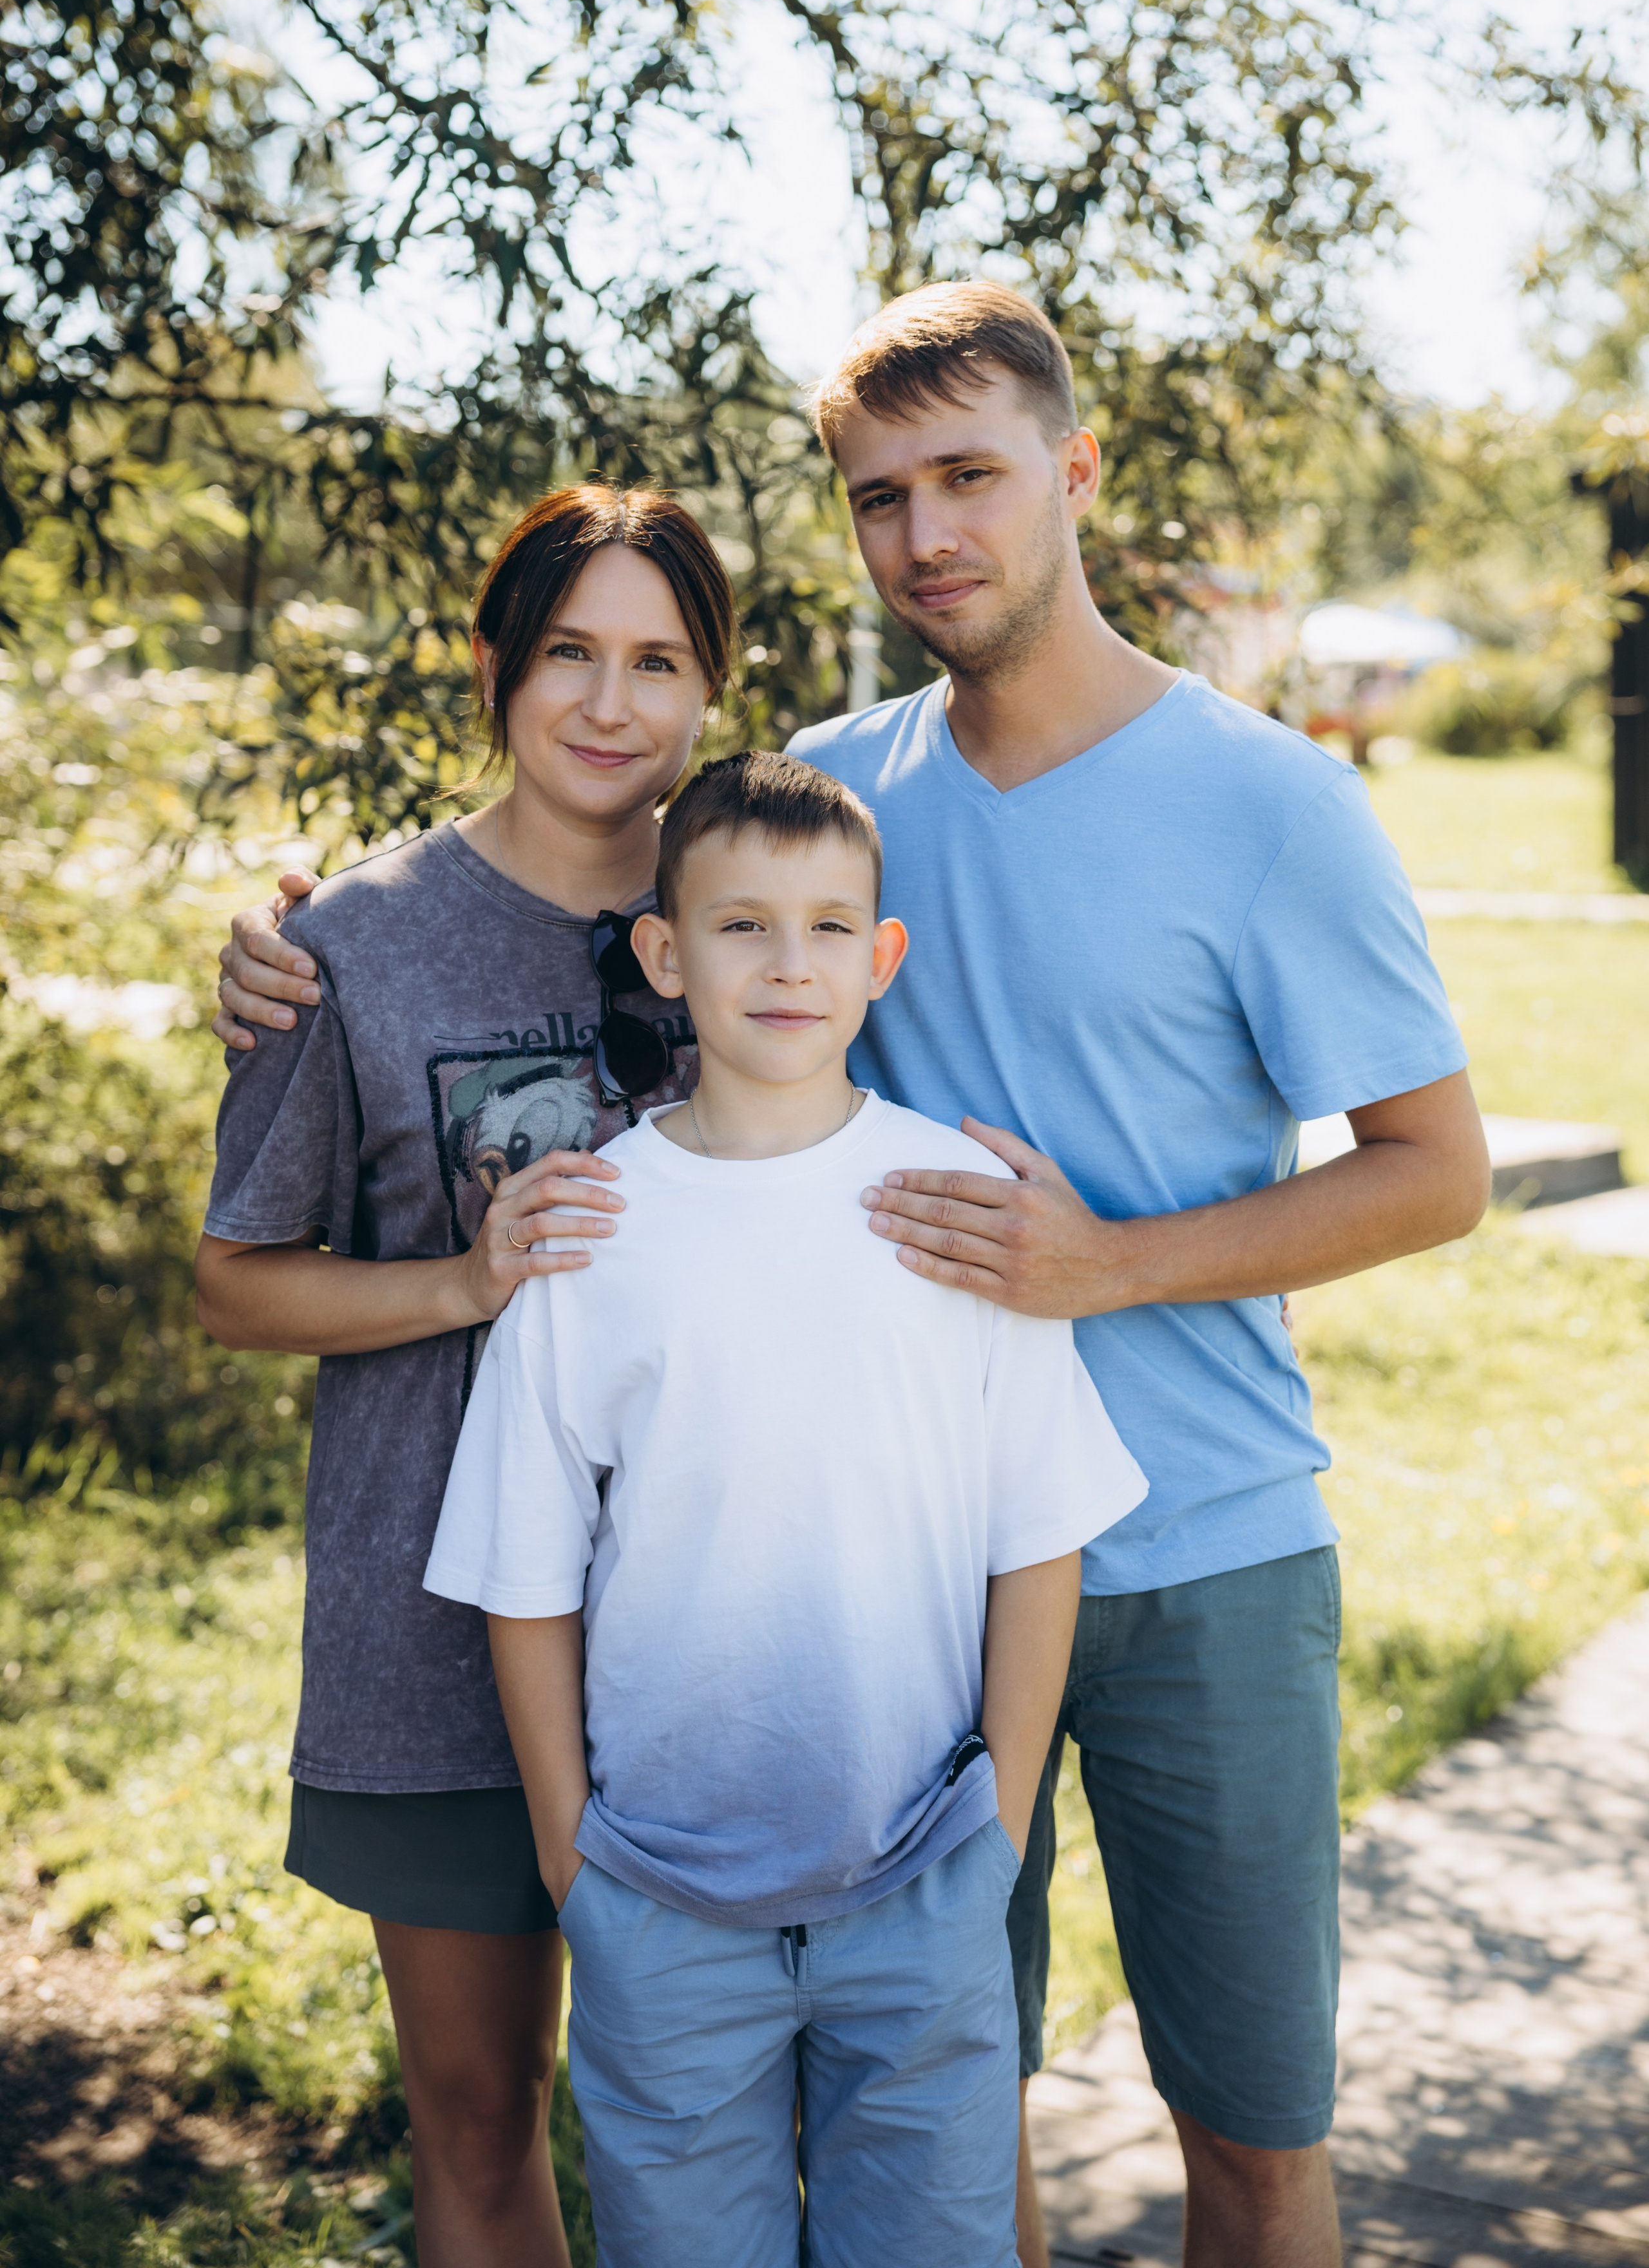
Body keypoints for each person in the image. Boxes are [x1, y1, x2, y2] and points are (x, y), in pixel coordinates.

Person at [212, 285, 1492, 2268]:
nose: (929, 538)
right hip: (888, 1583)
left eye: (970, 477)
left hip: (1202, 1555)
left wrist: (1112, 1264)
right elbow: (578, 879)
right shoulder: (837, 791)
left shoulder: (1272, 803)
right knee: (953, 2123)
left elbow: (1439, 1175)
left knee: (1251, 2140)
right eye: (881, 498)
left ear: (1075, 474)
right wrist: (299, 934)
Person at [421, 750, 1148, 2268]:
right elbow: (525, 1574)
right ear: (666, 956)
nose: (788, 962)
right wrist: (572, 1855)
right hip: (660, 1903)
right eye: (741, 926)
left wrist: (997, 1828)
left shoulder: (950, 1205)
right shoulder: (592, 1225)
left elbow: (1040, 1541)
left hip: (920, 1880)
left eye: (829, 927)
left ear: (880, 961)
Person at [194, 482, 739, 2268]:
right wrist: (462, 1279)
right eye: (569, 651)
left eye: (658, 661)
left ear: (713, 692)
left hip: (717, 1621)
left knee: (738, 2114)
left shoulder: (763, 917)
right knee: (484, 2119)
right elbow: (237, 1286)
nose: (610, 703)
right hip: (429, 1627)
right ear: (497, 667)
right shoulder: (349, 940)